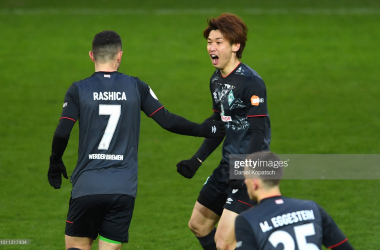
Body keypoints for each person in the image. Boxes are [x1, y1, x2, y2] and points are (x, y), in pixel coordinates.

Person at [47, 30, 225, 250]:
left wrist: (55, 161)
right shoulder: (136, 87)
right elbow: (167, 121)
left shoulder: (78, 90)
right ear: (120, 56)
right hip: (122, 190)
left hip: (87, 188)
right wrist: (205, 129)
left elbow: (62, 132)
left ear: (92, 56)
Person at [176, 13, 271, 250]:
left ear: (235, 46)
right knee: (198, 225)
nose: (211, 47)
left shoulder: (252, 82)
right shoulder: (216, 80)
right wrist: (196, 160)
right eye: (209, 42)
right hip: (227, 165)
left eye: (219, 42)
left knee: (224, 242)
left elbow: (258, 133)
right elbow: (220, 125)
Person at [235, 151, 354, 250]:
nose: (245, 181)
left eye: (246, 177)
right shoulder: (312, 208)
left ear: (255, 183)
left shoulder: (248, 220)